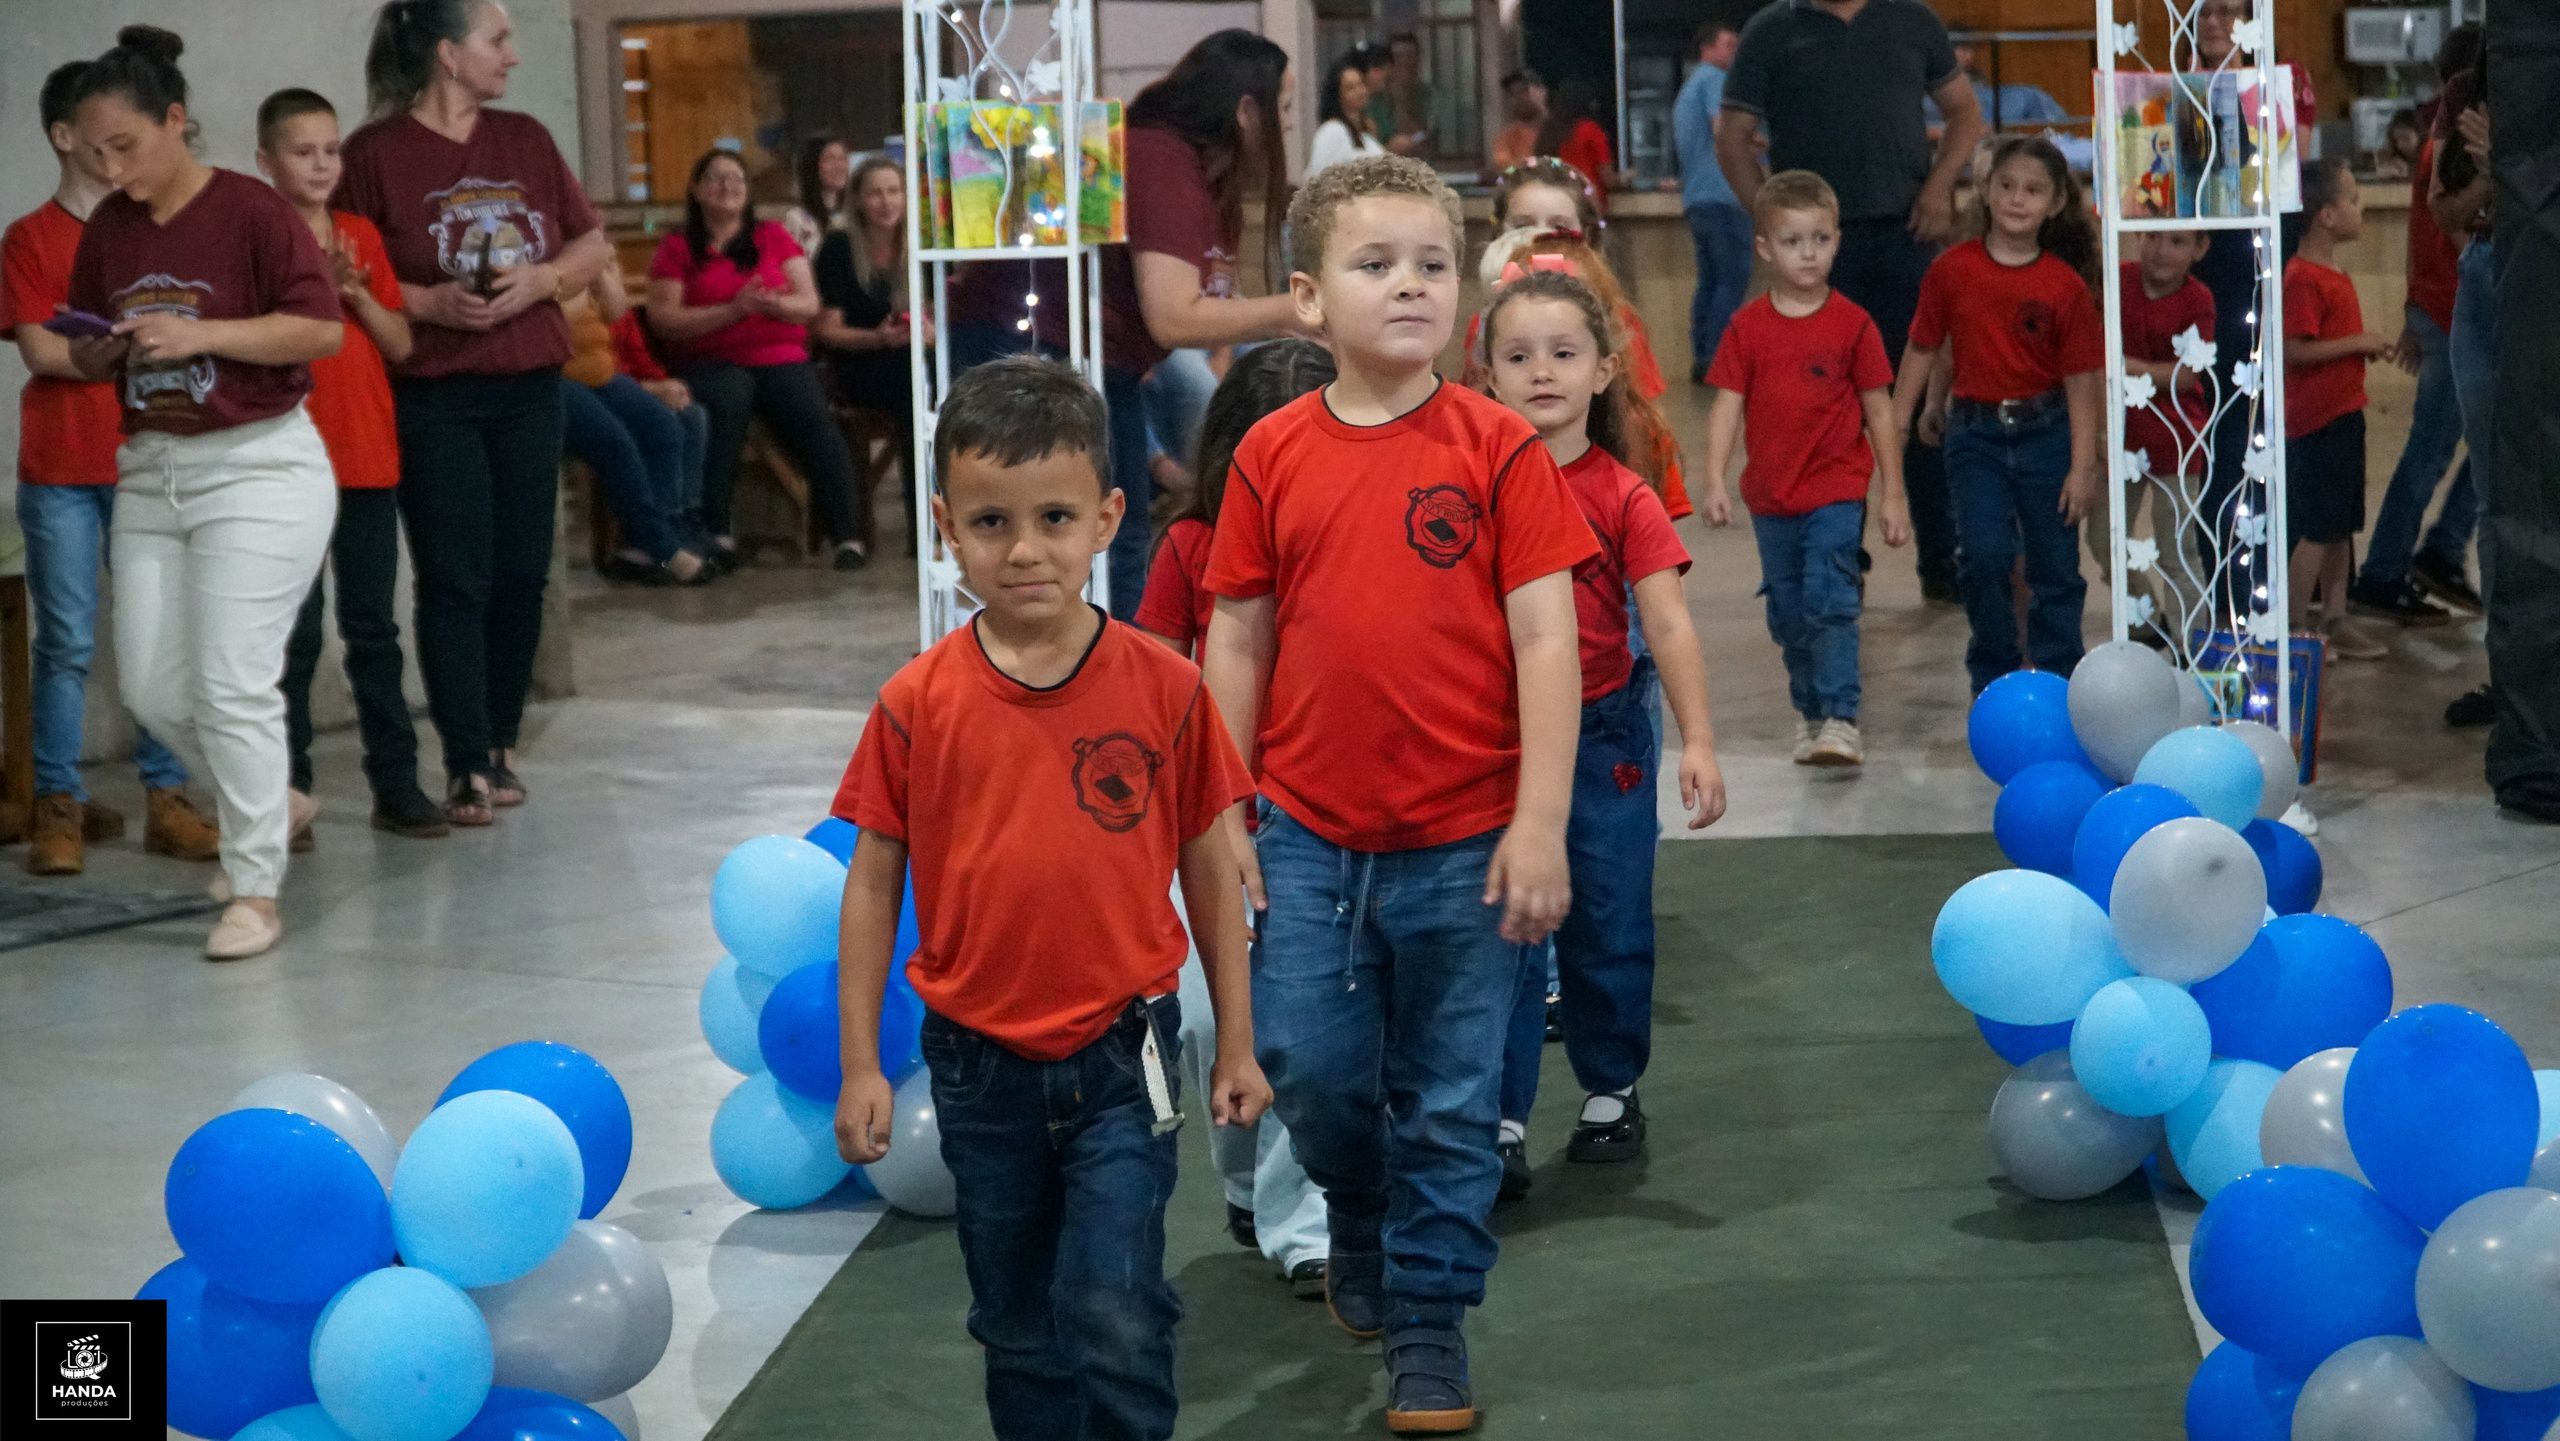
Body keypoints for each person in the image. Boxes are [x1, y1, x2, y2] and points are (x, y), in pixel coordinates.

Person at [1200, 154, 1597, 1433]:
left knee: (1454, 1100)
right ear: (1310, 300)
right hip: (1306, 835)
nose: (1410, 285)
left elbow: (1548, 639)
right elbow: (1236, 637)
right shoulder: (1270, 453)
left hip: (1471, 840)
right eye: (1375, 265)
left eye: (1432, 263)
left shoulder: (1498, 447)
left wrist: (1540, 821)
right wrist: (1222, 809)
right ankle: (1358, 1212)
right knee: (1310, 1072)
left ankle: (1429, 1321)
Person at [830, 355, 1269, 1441]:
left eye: (1055, 518)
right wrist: (859, 1063)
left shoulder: (1166, 688)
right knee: (1018, 1320)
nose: (1024, 549)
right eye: (991, 522)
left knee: (1116, 1304)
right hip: (978, 1067)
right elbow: (873, 881)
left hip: (1125, 1053)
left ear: (1107, 518)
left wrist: (1238, 1042)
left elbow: (1211, 868)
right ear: (946, 526)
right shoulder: (915, 703)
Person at [64, 27, 344, 959]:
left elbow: (320, 331)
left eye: (124, 146)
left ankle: (255, 890)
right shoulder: (109, 229)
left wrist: (203, 334)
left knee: (231, 681)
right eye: (93, 153)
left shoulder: (253, 211)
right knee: (152, 688)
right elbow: (85, 352)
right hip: (153, 469)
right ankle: (274, 803)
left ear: (175, 120)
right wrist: (98, 350)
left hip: (260, 466)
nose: (111, 170)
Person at [1479, 262, 1727, 1201]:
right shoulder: (1470, 488)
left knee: (1608, 919)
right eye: (1518, 356)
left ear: (1604, 369)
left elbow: (1667, 623)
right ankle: (1499, 1119)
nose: (1541, 370)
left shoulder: (1625, 494)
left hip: (1605, 735)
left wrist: (1698, 739)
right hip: (1491, 740)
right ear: (1487, 375)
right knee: (1499, 931)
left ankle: (1610, 1089)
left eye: (1563, 352)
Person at [336, 0, 614, 826]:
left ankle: (500, 741)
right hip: (435, 393)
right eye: (497, 39)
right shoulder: (373, 154)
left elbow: (590, 243)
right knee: (456, 577)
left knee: (524, 574)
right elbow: (346, 265)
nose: (512, 56)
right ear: (448, 54)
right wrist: (430, 301)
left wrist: (542, 281)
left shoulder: (526, 138)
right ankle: (464, 761)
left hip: (530, 387)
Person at [944, 30, 1308, 623]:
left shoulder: (1196, 173)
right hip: (1031, 345)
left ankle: (1118, 650)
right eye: (1284, 107)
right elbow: (1173, 314)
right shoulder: (1160, 158)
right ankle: (1103, 659)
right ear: (1247, 111)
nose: (1289, 124)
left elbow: (1194, 303)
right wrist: (1295, 309)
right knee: (1102, 535)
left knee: (1122, 524)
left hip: (1099, 352)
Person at [1133, 339, 1336, 1299]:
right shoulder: (1189, 548)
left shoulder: (1352, 538)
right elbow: (1147, 676)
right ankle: (1248, 1186)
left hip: (1317, 818)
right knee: (1213, 1023)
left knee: (1300, 1022)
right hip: (1211, 823)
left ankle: (1306, 1225)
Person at [2, 60, 219, 876]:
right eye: (99, 137)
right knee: (65, 638)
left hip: (149, 455)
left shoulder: (149, 229)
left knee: (157, 634)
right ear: (65, 137)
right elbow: (41, 349)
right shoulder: (30, 237)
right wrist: (131, 350)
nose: (113, 152)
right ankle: (58, 801)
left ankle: (168, 795)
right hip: (61, 463)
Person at [1717, 0, 1987, 604]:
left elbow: (1965, 113)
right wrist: (1777, 225)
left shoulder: (1912, 20)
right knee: (1826, 414)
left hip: (1903, 237)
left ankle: (1942, 559)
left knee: (1917, 398)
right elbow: (1731, 139)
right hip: (1818, 259)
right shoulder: (1772, 30)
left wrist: (1940, 187)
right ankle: (1840, 562)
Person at [255, 88, 450, 845]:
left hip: (367, 457)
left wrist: (356, 294)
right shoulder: (258, 240)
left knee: (373, 629)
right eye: (302, 152)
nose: (321, 165)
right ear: (266, 161)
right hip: (288, 463)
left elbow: (401, 343)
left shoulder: (360, 235)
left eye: (331, 150)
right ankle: (290, 794)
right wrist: (312, 291)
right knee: (295, 638)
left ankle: (396, 785)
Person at [1701, 170, 1908, 766]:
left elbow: (1879, 410)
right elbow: (1726, 406)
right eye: (1792, 242)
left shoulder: (1853, 325)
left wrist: (1893, 495)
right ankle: (1812, 712)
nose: (1808, 253)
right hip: (1771, 498)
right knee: (1788, 613)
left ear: (1837, 241)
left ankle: (1841, 716)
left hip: (1836, 491)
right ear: (1765, 248)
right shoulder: (1746, 328)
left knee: (1830, 598)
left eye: (1820, 239)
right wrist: (1714, 479)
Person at [1890, 137, 2103, 695]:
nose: (2017, 199)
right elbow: (1926, 345)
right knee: (1983, 558)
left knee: (2055, 566)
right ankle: (1994, 676)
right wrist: (1902, 419)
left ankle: (2059, 683)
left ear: (2056, 204)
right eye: (2006, 185)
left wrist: (2082, 465)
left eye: (2032, 190)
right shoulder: (1951, 270)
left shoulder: (2064, 286)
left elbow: (2081, 382)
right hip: (1975, 435)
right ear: (1985, 191)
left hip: (2047, 435)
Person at [648, 149, 871, 571]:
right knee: (728, 399)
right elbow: (665, 321)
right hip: (708, 358)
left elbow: (808, 304)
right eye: (716, 178)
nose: (727, 186)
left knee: (811, 416)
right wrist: (733, 310)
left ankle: (847, 536)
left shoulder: (772, 236)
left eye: (737, 178)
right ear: (697, 189)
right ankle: (716, 529)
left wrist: (773, 306)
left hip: (777, 354)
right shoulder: (677, 246)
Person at [2351, 22, 2482, 631]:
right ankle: (2388, 571)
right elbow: (2455, 239)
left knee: (2477, 446)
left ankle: (2440, 551)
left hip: (2436, 310)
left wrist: (2411, 310)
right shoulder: (2453, 150)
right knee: (2433, 451)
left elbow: (2416, 237)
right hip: (2455, 314)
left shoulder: (2436, 145)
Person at [2281, 160, 2392, 660]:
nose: (2359, 207)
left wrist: (2357, 347)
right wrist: (2357, 343)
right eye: (2351, 199)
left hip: (2344, 415)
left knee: (2340, 525)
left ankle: (2335, 616)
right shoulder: (2304, 278)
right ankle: (2294, 627)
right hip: (2318, 422)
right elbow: (2294, 350)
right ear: (2325, 215)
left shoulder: (2329, 273)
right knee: (2318, 528)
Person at [2100, 230, 2217, 646]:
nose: (2161, 250)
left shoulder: (2199, 299)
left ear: (2199, 249)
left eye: (2177, 242)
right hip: (2118, 438)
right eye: (2153, 237)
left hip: (2178, 440)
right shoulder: (2116, 280)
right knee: (2104, 538)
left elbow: (2187, 376)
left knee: (2178, 551)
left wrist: (2125, 366)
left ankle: (2193, 647)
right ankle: (2147, 622)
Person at [2430, 41, 2500, 736]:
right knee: (2495, 491)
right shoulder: (2465, 89)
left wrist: (2509, 166)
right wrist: (2491, 177)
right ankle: (2513, 675)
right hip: (2484, 276)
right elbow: (2445, 212)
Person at [562, 265, 712, 585]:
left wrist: (598, 268)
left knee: (665, 427)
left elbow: (617, 311)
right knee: (616, 442)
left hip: (599, 372)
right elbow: (552, 313)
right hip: (553, 376)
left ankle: (639, 547)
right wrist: (575, 278)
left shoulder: (585, 249)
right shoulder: (537, 248)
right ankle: (663, 546)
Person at [812, 152, 921, 554]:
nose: (886, 202)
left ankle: (935, 521)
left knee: (931, 383)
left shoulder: (920, 244)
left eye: (894, 191)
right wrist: (877, 338)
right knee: (915, 389)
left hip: (910, 357)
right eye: (875, 193)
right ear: (857, 200)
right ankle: (922, 528)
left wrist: (926, 331)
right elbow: (827, 330)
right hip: (858, 360)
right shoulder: (838, 247)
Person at [1671, 20, 1751, 381]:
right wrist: (1759, 141)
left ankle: (1703, 355)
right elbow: (1725, 129)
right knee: (1731, 279)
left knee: (1710, 281)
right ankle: (1720, 360)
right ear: (1707, 48)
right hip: (1725, 194)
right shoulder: (1717, 81)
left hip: (1698, 197)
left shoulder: (1689, 87)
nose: (1736, 52)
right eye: (1729, 44)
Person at [1307, 49, 1387, 179]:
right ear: (1337, 95)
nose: (1359, 91)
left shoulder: (1365, 135)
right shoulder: (1332, 130)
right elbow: (1318, 177)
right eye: (1350, 88)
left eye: (1361, 84)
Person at [1535, 79, 1615, 201]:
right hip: (1588, 200)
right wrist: (1627, 178)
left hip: (1558, 198)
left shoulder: (1549, 132)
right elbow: (1608, 179)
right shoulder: (1591, 130)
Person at [782, 132, 849, 258]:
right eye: (830, 159)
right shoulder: (797, 219)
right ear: (812, 166)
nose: (839, 166)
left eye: (842, 159)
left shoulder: (855, 212)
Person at [1368, 33, 1432, 158]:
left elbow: (1426, 135)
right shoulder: (1372, 99)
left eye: (1411, 57)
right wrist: (1388, 150)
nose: (1405, 63)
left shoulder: (1428, 95)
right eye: (1399, 57)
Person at [1489, 69, 1546, 173]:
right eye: (1513, 94)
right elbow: (1506, 169)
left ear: (1542, 91)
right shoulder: (1508, 137)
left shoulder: (1560, 131)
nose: (1518, 98)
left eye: (1524, 91)